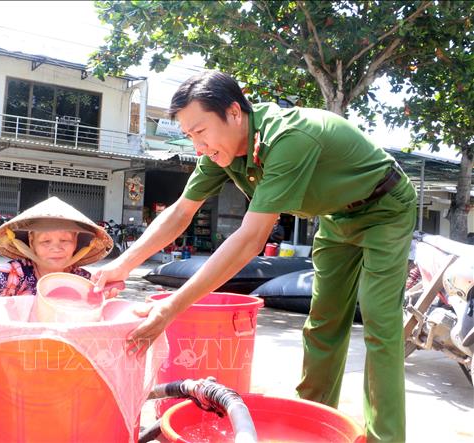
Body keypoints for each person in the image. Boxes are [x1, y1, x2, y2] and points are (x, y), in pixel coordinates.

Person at [93, 70, 416, 442]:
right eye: (190, 136)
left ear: (233, 112)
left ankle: (386, 437)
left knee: (379, 321)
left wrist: (172, 308)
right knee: (323, 322)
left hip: (385, 207)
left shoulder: (288, 138)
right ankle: (312, 422)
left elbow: (249, 240)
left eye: (201, 132)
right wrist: (121, 265)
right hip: (335, 217)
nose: (198, 146)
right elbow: (181, 212)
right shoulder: (219, 152)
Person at [0, 197, 113, 322]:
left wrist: (108, 293)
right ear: (31, 243)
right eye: (46, 241)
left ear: (76, 242)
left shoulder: (82, 280)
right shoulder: (18, 272)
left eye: (65, 240)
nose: (56, 248)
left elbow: (102, 304)